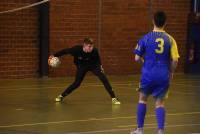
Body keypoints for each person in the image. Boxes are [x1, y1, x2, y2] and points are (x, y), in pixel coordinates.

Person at [131, 11, 180, 134]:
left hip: (148, 74)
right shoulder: (170, 39)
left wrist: (145, 63)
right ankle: (160, 131)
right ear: (166, 23)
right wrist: (171, 72)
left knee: (142, 99)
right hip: (163, 75)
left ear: (153, 21)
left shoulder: (145, 38)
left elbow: (136, 58)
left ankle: (140, 129)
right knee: (160, 103)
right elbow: (175, 60)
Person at [48, 37, 121, 105]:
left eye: (92, 46)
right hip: (81, 66)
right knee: (76, 83)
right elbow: (65, 51)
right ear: (84, 45)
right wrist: (54, 55)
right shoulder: (76, 50)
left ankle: (114, 98)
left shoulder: (94, 51)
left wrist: (100, 66)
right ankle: (61, 96)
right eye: (89, 46)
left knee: (103, 78)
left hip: (93, 65)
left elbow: (98, 60)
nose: (91, 48)